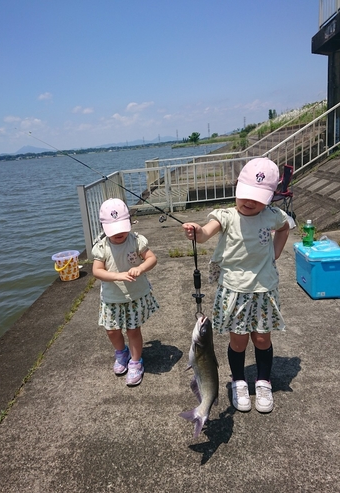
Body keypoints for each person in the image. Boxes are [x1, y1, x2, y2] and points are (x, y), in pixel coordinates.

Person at [183, 158, 290, 413]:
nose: (250, 202)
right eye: (245, 195)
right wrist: (196, 231)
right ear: (237, 188)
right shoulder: (226, 216)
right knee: (238, 341)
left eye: (258, 197)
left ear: (270, 196)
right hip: (234, 290)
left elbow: (285, 229)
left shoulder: (273, 215)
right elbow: (206, 232)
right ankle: (238, 380)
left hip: (264, 289)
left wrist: (274, 253)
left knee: (263, 339)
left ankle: (263, 381)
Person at [91, 198, 159, 386]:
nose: (119, 233)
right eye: (114, 230)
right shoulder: (102, 246)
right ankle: (121, 353)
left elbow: (152, 259)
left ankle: (136, 361)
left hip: (133, 296)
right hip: (112, 298)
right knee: (112, 331)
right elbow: (97, 271)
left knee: (133, 330)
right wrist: (117, 276)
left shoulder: (136, 241)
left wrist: (141, 268)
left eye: (122, 227)